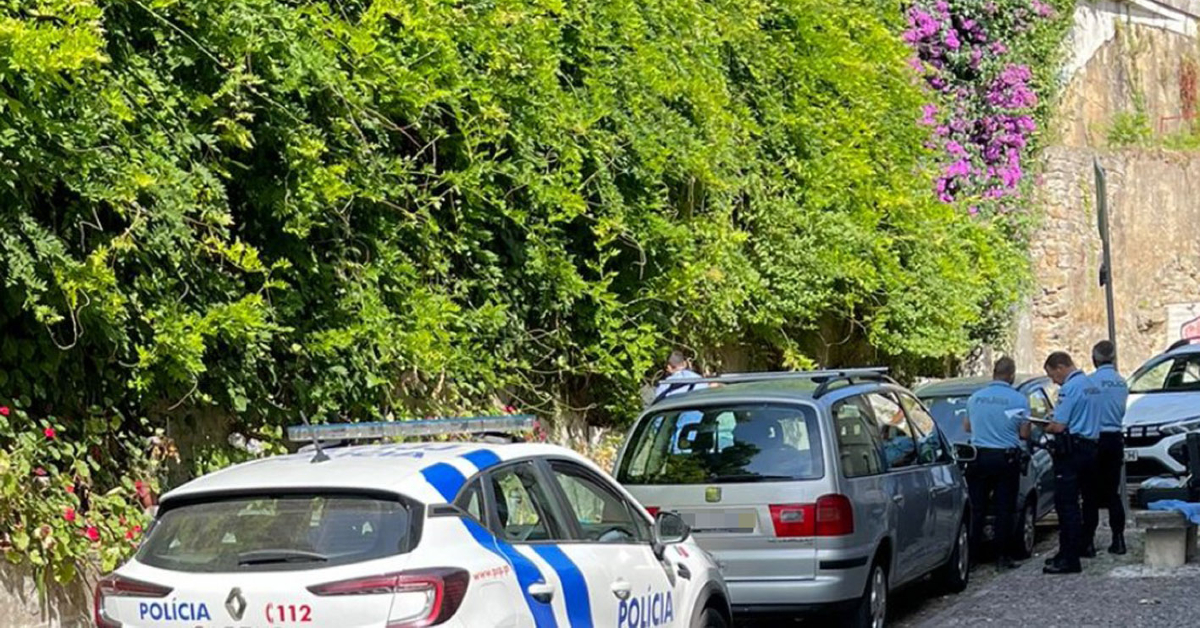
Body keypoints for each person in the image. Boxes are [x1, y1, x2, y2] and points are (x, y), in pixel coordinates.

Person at [963, 356, 1032, 571]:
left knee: (977, 509)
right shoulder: (1019, 400)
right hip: (1005, 459)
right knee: (1004, 509)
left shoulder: (975, 398)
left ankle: (971, 558)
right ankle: (1002, 557)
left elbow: (967, 427)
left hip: (979, 457)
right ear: (1011, 375)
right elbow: (1024, 433)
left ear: (994, 373)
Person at [1041, 351, 1101, 575]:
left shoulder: (1070, 388)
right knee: (1088, 501)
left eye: (1053, 375)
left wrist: (1043, 425)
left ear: (1060, 367)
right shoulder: (1091, 385)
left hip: (1072, 451)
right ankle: (1081, 546)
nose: (1054, 381)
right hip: (1091, 448)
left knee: (1067, 505)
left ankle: (1070, 558)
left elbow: (1059, 426)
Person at [1088, 340, 1130, 555]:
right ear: (1113, 358)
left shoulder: (1090, 382)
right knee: (1113, 493)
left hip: (1094, 438)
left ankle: (1088, 541)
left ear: (1094, 359)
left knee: (1090, 493)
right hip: (1115, 438)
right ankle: (1119, 539)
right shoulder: (1122, 382)